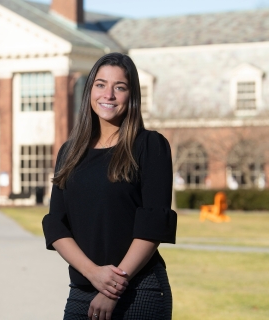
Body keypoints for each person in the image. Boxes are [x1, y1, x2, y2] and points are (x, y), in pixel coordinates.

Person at [42, 53, 177, 320]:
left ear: (132, 95)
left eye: (120, 87)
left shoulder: (150, 146)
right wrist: (93, 273)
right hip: (83, 290)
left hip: (140, 292)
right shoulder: (69, 152)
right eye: (101, 84)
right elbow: (56, 225)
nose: (109, 95)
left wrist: (111, 289)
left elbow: (151, 226)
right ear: (89, 89)